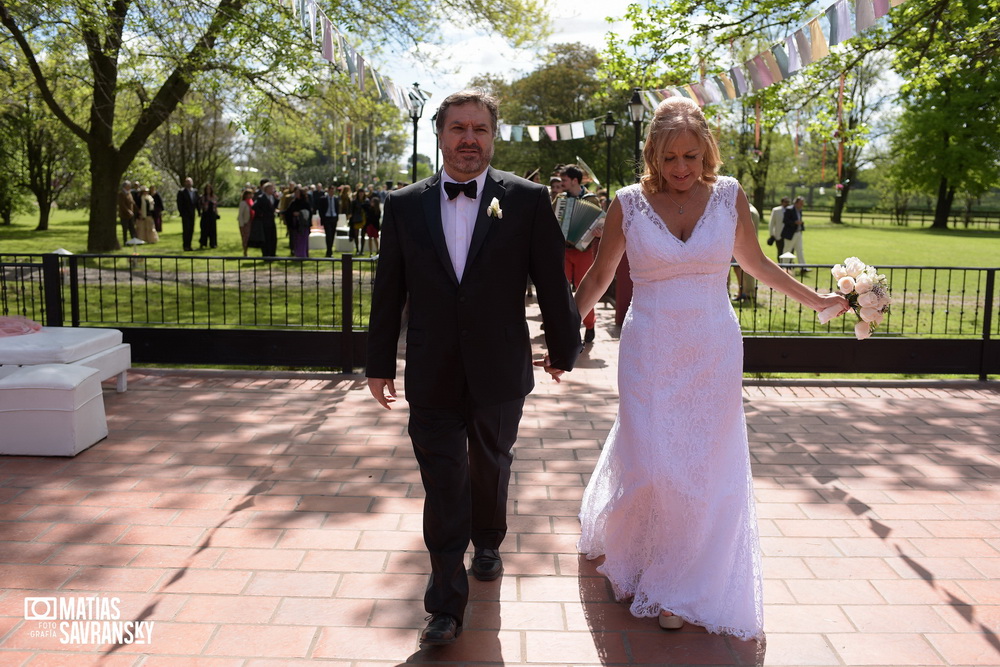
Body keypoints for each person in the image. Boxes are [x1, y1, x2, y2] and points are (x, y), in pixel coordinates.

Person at [572, 97, 848, 642]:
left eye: (692, 156)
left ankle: (676, 586)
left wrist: (816, 301)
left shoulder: (729, 197)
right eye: (670, 156)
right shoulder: (629, 203)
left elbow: (755, 262)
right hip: (649, 351)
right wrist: (560, 338)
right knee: (652, 465)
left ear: (707, 152)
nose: (681, 168)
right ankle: (637, 553)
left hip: (712, 351)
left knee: (700, 471)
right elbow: (599, 278)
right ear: (652, 153)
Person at [366, 89, 582, 647]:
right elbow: (389, 288)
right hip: (432, 370)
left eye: (480, 129)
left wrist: (564, 349)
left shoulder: (528, 200)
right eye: (458, 128)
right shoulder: (405, 204)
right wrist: (378, 362)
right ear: (440, 135)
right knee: (443, 483)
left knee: (491, 461)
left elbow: (553, 282)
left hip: (500, 367)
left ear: (493, 136)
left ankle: (488, 539)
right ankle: (444, 606)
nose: (469, 139)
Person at [557, 164, 600, 344]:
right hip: (563, 251)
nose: (561, 183)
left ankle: (589, 325)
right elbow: (551, 221)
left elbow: (602, 224)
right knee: (562, 290)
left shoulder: (592, 200)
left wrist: (599, 231)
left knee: (585, 290)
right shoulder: (559, 199)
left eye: (564, 180)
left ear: (574, 180)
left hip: (584, 251)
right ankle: (566, 328)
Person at [251, 181, 280, 258]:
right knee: (266, 238)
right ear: (266, 189)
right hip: (264, 221)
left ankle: (273, 254)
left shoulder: (273, 197)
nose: (272, 190)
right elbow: (254, 207)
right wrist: (262, 213)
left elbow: (274, 207)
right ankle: (266, 254)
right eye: (271, 188)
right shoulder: (261, 197)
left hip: (271, 220)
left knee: (273, 237)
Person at [782, 196, 807, 271]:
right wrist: (794, 222)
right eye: (800, 203)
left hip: (798, 233)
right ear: (796, 203)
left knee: (800, 250)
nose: (802, 205)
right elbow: (785, 221)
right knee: (787, 250)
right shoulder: (789, 209)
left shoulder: (800, 210)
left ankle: (803, 267)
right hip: (790, 233)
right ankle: (784, 267)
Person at [286, 186, 312, 258]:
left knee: (303, 240)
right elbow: (288, 212)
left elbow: (309, 213)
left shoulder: (305, 203)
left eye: (298, 193)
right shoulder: (293, 202)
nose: (296, 194)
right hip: (295, 225)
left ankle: (303, 254)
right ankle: (297, 253)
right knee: (296, 240)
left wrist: (300, 213)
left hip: (303, 225)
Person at [317, 185, 340, 258]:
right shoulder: (323, 199)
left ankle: (329, 250)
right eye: (331, 190)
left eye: (333, 191)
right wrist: (322, 218)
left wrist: (336, 217)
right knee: (328, 235)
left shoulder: (336, 199)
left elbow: (337, 209)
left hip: (333, 218)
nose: (332, 192)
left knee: (332, 235)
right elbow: (320, 209)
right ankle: (329, 251)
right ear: (328, 191)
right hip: (327, 218)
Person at [176, 177, 198, 251]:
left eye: (190, 182)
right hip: (185, 214)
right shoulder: (181, 192)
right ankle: (185, 246)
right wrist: (181, 212)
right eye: (187, 182)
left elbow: (197, 202)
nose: (188, 183)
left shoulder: (195, 191)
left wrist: (199, 211)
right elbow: (179, 203)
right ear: (185, 183)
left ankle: (190, 245)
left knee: (191, 230)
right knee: (186, 230)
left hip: (192, 214)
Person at [197, 183, 219, 249]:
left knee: (213, 230)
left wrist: (217, 213)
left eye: (209, 189)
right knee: (204, 229)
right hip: (205, 215)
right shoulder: (202, 197)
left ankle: (213, 244)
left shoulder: (214, 197)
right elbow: (200, 206)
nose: (208, 190)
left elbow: (215, 207)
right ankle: (202, 243)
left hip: (212, 215)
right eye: (207, 189)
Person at [117, 181, 136, 246]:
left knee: (132, 228)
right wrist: (128, 211)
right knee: (125, 229)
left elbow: (132, 202)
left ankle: (133, 241)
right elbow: (122, 205)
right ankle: (125, 242)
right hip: (124, 215)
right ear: (125, 186)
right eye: (129, 185)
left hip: (131, 215)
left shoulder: (129, 193)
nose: (130, 187)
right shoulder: (121, 194)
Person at [348, 190, 367, 254]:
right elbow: (351, 211)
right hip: (356, 219)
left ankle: (362, 250)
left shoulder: (366, 201)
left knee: (363, 235)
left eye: (362, 193)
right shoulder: (354, 202)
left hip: (364, 219)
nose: (361, 194)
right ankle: (357, 249)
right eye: (360, 193)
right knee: (356, 235)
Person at [237, 189, 254, 257]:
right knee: (245, 238)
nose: (251, 195)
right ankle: (245, 252)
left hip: (250, 222)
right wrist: (242, 224)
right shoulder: (243, 203)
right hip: (245, 223)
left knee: (249, 238)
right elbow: (240, 214)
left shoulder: (251, 202)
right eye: (249, 194)